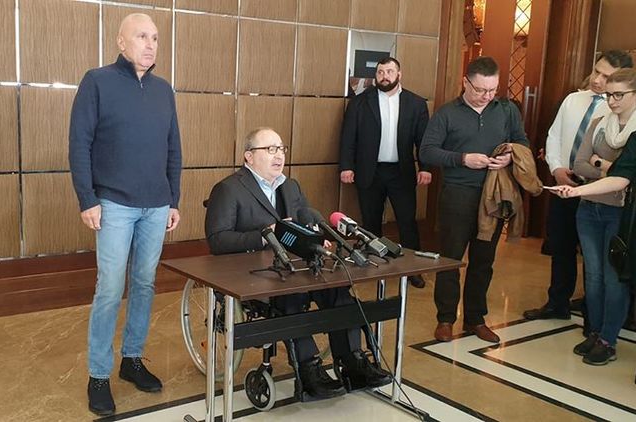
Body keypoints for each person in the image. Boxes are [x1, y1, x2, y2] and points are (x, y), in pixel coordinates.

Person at [204, 127, 391, 400]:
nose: (278, 155)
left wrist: (316, 237)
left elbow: (306, 220)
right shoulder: (228, 189)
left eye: (281, 149)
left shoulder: (291, 186)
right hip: (253, 275)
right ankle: (309, 371)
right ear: (249, 156)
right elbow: (218, 240)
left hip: (298, 267)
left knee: (338, 291)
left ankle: (353, 362)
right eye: (270, 149)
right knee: (290, 296)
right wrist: (265, 235)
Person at [68, 13, 182, 417]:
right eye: (141, 36)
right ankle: (98, 374)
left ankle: (132, 359)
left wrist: (173, 199)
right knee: (110, 287)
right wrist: (87, 198)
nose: (150, 44)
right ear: (121, 42)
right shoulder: (97, 81)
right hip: (113, 203)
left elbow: (173, 148)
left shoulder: (164, 90)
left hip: (156, 204)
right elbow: (79, 143)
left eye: (155, 38)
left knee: (145, 283)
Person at [420, 56, 528, 343]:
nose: (487, 96)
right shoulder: (447, 113)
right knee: (450, 259)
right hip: (457, 194)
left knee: (483, 260)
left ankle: (475, 319)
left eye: (492, 90)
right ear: (465, 82)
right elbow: (427, 151)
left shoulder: (506, 110)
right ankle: (445, 319)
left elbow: (522, 141)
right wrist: (463, 159)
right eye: (480, 90)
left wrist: (510, 156)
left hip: (494, 195)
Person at [524, 51, 633, 323]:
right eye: (596, 71)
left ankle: (592, 313)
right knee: (561, 247)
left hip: (602, 194)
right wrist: (556, 169)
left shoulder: (618, 109)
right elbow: (554, 136)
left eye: (606, 77)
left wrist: (595, 169)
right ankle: (557, 303)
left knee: (596, 259)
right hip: (565, 186)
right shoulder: (573, 100)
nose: (597, 80)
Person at [339, 57, 431, 288]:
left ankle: (413, 270)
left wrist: (426, 168)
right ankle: (374, 265)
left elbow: (423, 141)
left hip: (401, 172)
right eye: (380, 72)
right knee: (370, 222)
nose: (384, 76)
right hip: (370, 171)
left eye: (389, 71)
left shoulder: (416, 103)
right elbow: (348, 137)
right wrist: (346, 166)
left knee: (407, 222)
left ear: (399, 75)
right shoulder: (360, 103)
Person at [569, 69, 636, 365]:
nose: (612, 100)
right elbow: (580, 164)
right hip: (589, 206)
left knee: (613, 277)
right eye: (609, 94)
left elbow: (625, 175)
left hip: (620, 212)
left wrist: (605, 166)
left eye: (619, 94)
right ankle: (595, 332)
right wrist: (606, 166)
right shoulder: (599, 123)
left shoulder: (633, 132)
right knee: (593, 276)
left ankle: (609, 339)